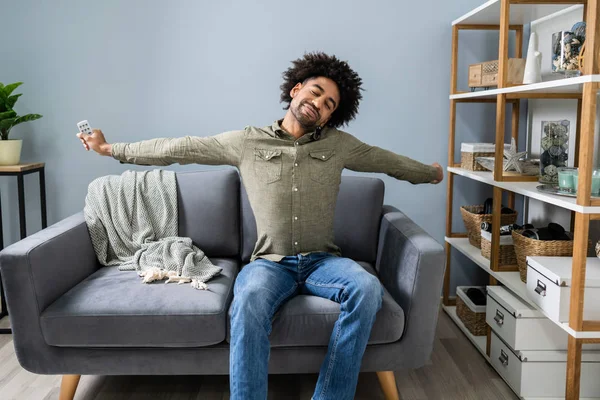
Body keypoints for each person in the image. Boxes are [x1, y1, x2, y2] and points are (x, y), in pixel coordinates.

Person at [77, 51, 443, 400]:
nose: (320, 103)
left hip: (323, 262)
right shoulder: (247, 142)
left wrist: (430, 173)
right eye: (317, 92)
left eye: (330, 103)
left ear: (331, 117)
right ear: (296, 89)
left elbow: (389, 161)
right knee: (248, 298)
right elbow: (182, 147)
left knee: (367, 288)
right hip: (269, 263)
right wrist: (112, 149)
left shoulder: (340, 146)